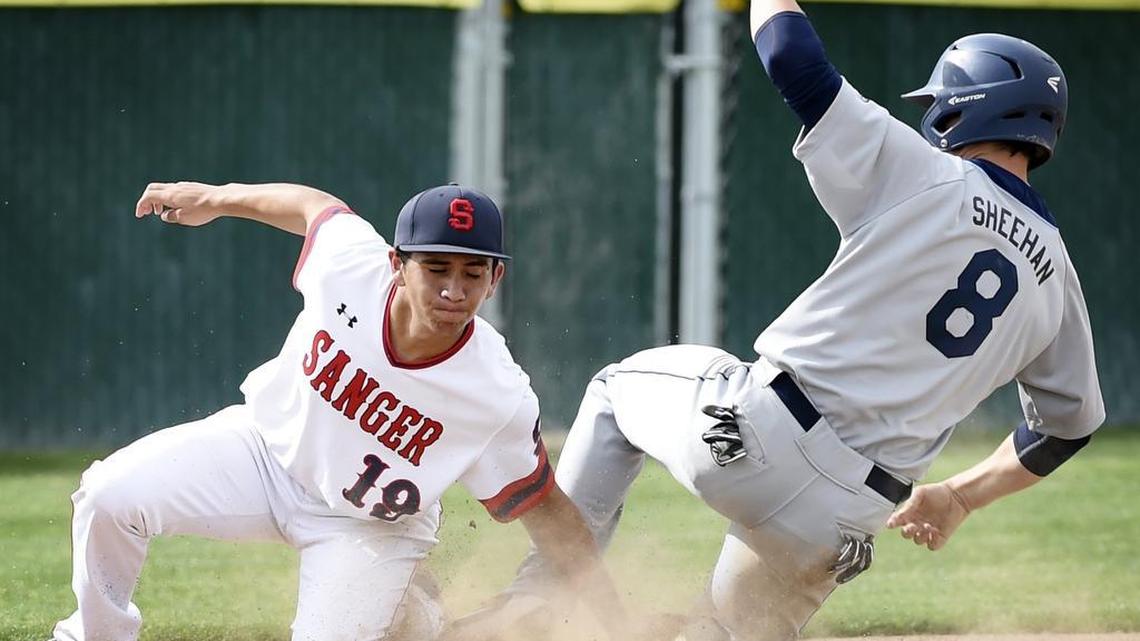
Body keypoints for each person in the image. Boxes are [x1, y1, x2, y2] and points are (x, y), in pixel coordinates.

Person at [447, 1, 1105, 640]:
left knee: (615, 394)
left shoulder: (925, 173)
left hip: (754, 437)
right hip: (846, 522)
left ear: (962, 108)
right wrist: (960, 496)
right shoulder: (1059, 283)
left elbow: (790, 53)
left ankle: (540, 598)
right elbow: (1066, 428)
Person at [50, 181, 625, 641]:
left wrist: (618, 623)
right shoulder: (352, 265)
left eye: (472, 273)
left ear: (495, 279)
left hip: (370, 527)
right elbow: (312, 205)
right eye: (436, 268)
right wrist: (214, 198)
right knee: (108, 496)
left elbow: (545, 509)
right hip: (263, 455)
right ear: (397, 262)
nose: (454, 289)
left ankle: (412, 614)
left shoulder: (496, 391)